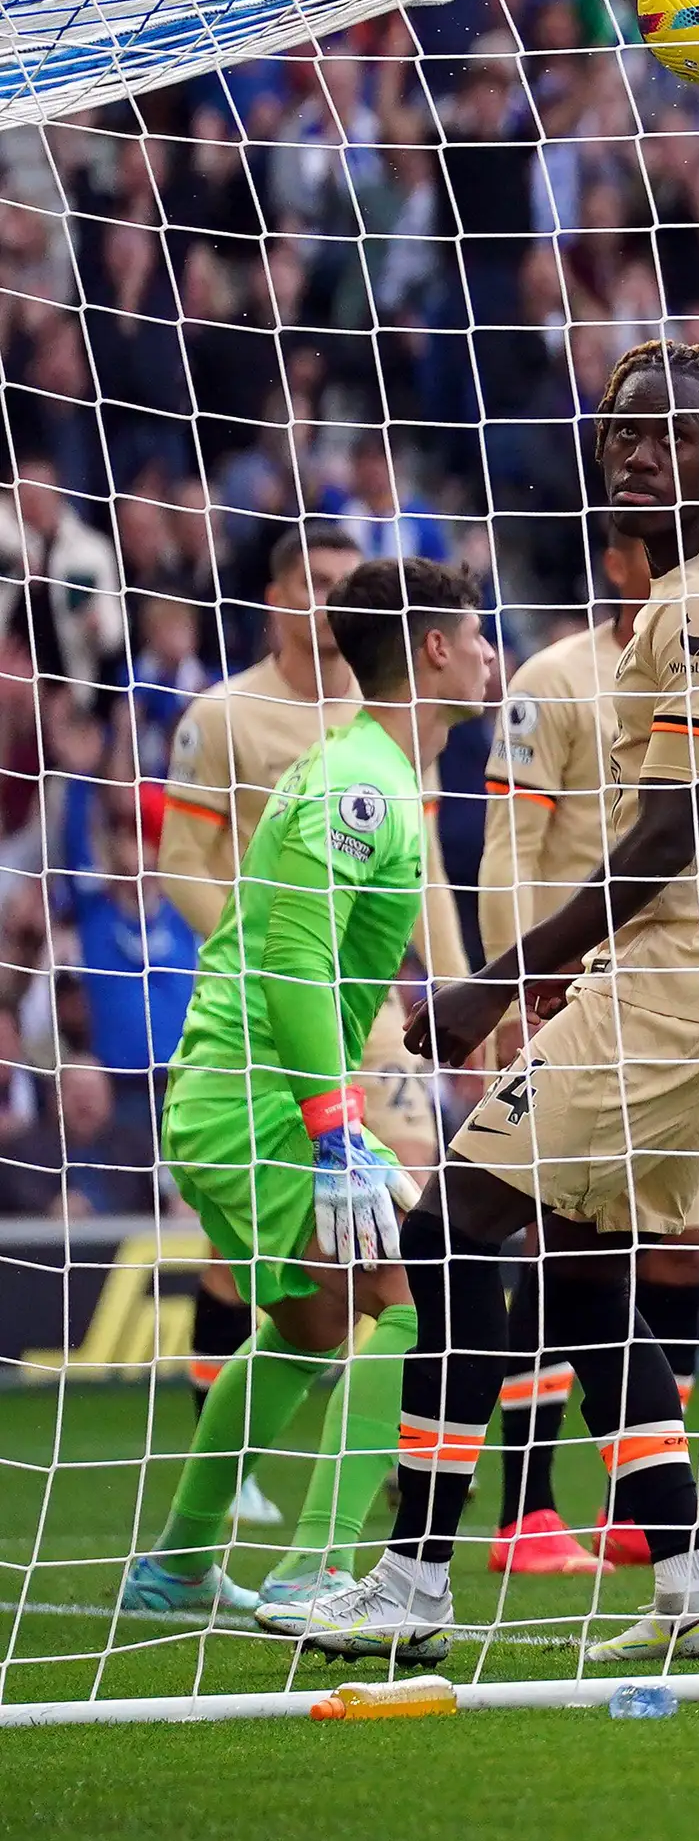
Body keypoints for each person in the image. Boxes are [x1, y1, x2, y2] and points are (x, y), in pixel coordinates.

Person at [304, 339, 699, 1667]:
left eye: (674, 434)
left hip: (676, 980)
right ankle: (694, 1582)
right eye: (625, 431)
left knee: (459, 1224)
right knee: (586, 1272)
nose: (640, 450)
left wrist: (488, 986)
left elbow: (664, 839)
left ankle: (414, 1579)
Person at [121, 559, 496, 1629]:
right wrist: (335, 1134)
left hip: (245, 1091)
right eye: (475, 635)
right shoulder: (358, 785)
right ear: (430, 650)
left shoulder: (373, 770)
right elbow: (292, 962)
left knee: (311, 1323)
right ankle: (315, 1571)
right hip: (259, 1098)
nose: (487, 653)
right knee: (411, 1311)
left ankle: (180, 1568)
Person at [154, 524, 367, 1540]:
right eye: (313, 583)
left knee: (394, 1251)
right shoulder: (223, 716)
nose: (328, 600)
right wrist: (260, 950)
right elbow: (182, 861)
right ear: (278, 597)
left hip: (355, 1017)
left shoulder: (375, 724)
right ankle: (228, 1474)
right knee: (241, 1261)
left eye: (344, 585)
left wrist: (460, 986)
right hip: (257, 1020)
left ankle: (378, 1486)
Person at [465, 532, 663, 1578]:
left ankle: (649, 1508)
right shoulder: (552, 679)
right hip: (571, 992)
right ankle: (526, 1513)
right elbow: (511, 848)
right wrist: (514, 983)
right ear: (621, 563)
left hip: (673, 1000)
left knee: (667, 1244)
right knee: (554, 1236)